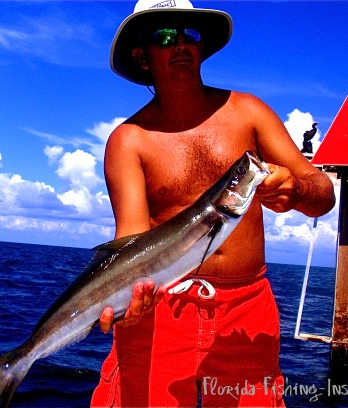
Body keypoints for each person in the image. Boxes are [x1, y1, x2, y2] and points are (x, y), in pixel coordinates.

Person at [91, 0, 335, 406]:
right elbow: (130, 240)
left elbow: (321, 192)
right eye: (165, 37)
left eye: (191, 34)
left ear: (203, 47)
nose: (181, 44)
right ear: (142, 56)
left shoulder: (249, 112)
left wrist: (298, 189)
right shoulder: (128, 140)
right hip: (159, 311)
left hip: (248, 310)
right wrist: (126, 303)